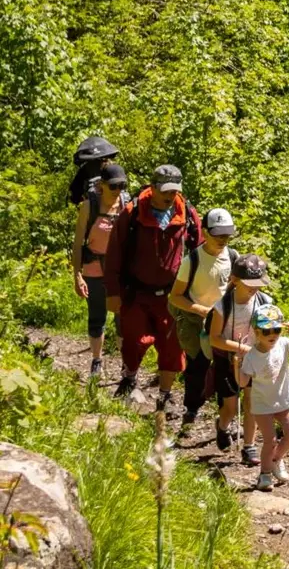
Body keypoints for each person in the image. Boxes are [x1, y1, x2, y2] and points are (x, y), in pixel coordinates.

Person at [103, 164, 201, 410]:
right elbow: (115, 252)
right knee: (134, 341)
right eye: (166, 191)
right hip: (137, 292)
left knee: (172, 347)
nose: (170, 196)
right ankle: (129, 379)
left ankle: (165, 395)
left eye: (175, 191)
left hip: (172, 295)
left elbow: (199, 249)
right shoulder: (134, 211)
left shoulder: (186, 212)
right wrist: (113, 292)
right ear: (154, 187)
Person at [168, 207, 236, 428]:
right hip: (198, 322)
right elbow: (175, 297)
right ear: (205, 232)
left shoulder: (234, 258)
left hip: (225, 323)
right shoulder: (193, 260)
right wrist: (200, 310)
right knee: (197, 366)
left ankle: (224, 414)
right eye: (218, 235)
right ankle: (191, 409)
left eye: (227, 235)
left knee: (225, 370)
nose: (223, 240)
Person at [206, 253, 274, 465]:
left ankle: (249, 446)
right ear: (235, 280)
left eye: (258, 283)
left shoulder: (265, 302)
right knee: (230, 405)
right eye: (249, 284)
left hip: (253, 360)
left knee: (251, 402)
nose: (255, 288)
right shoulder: (222, 306)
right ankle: (223, 426)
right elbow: (214, 339)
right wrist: (239, 347)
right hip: (227, 360)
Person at [236, 305, 289, 491]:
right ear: (257, 332)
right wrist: (236, 364)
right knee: (270, 440)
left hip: (284, 401)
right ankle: (265, 474)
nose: (273, 334)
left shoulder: (284, 344)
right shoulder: (251, 356)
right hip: (262, 405)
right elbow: (243, 382)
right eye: (266, 330)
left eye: (276, 329)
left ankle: (276, 460)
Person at [70, 162, 129, 377]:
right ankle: (97, 361)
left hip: (120, 272)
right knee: (97, 316)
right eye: (113, 186)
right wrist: (77, 276)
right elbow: (78, 244)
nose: (118, 191)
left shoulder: (126, 205)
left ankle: (126, 365)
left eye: (122, 186)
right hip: (93, 268)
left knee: (123, 318)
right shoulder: (89, 207)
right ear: (102, 185)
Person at [68, 136, 119, 206]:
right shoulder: (112, 167)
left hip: (91, 207)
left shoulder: (84, 169)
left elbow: (75, 194)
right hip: (114, 205)